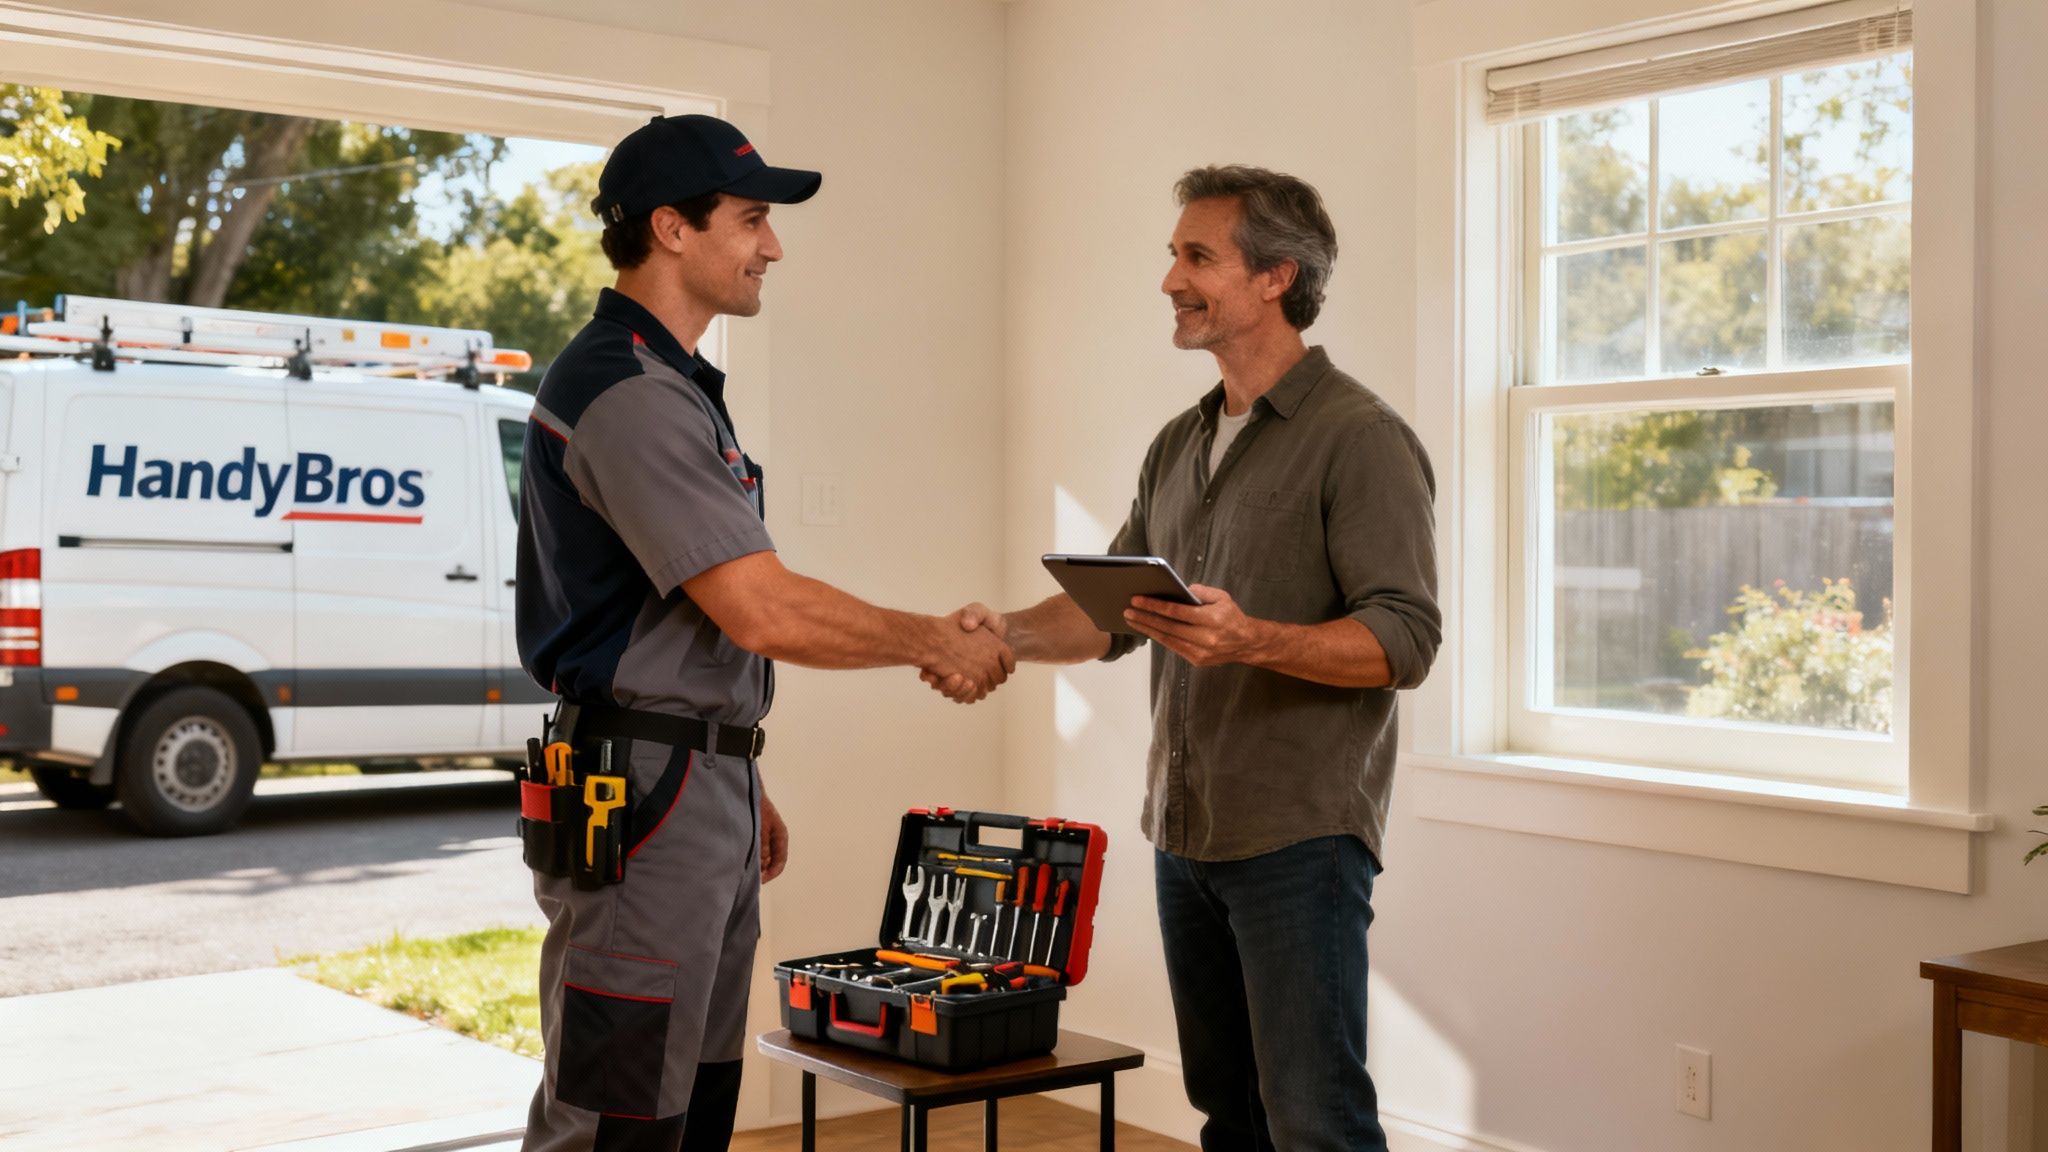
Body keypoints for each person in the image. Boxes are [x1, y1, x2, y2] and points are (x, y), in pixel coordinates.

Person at [515, 113, 1013, 1152]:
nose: (772, 245)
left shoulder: (675, 388)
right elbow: (760, 606)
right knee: (616, 1112)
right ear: (672, 228)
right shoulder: (627, 393)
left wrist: (734, 770)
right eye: (750, 219)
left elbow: (677, 621)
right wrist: (934, 638)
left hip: (684, 782)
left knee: (693, 1096)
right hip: (643, 797)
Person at [942, 165, 1440, 1152]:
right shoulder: (1180, 443)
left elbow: (1404, 638)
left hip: (1298, 840)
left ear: (1274, 278)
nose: (1169, 278)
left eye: (1196, 256)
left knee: (1316, 1120)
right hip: (1185, 834)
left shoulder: (1360, 440)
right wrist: (997, 634)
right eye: (1172, 254)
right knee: (1229, 1111)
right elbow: (1111, 613)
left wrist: (1249, 636)